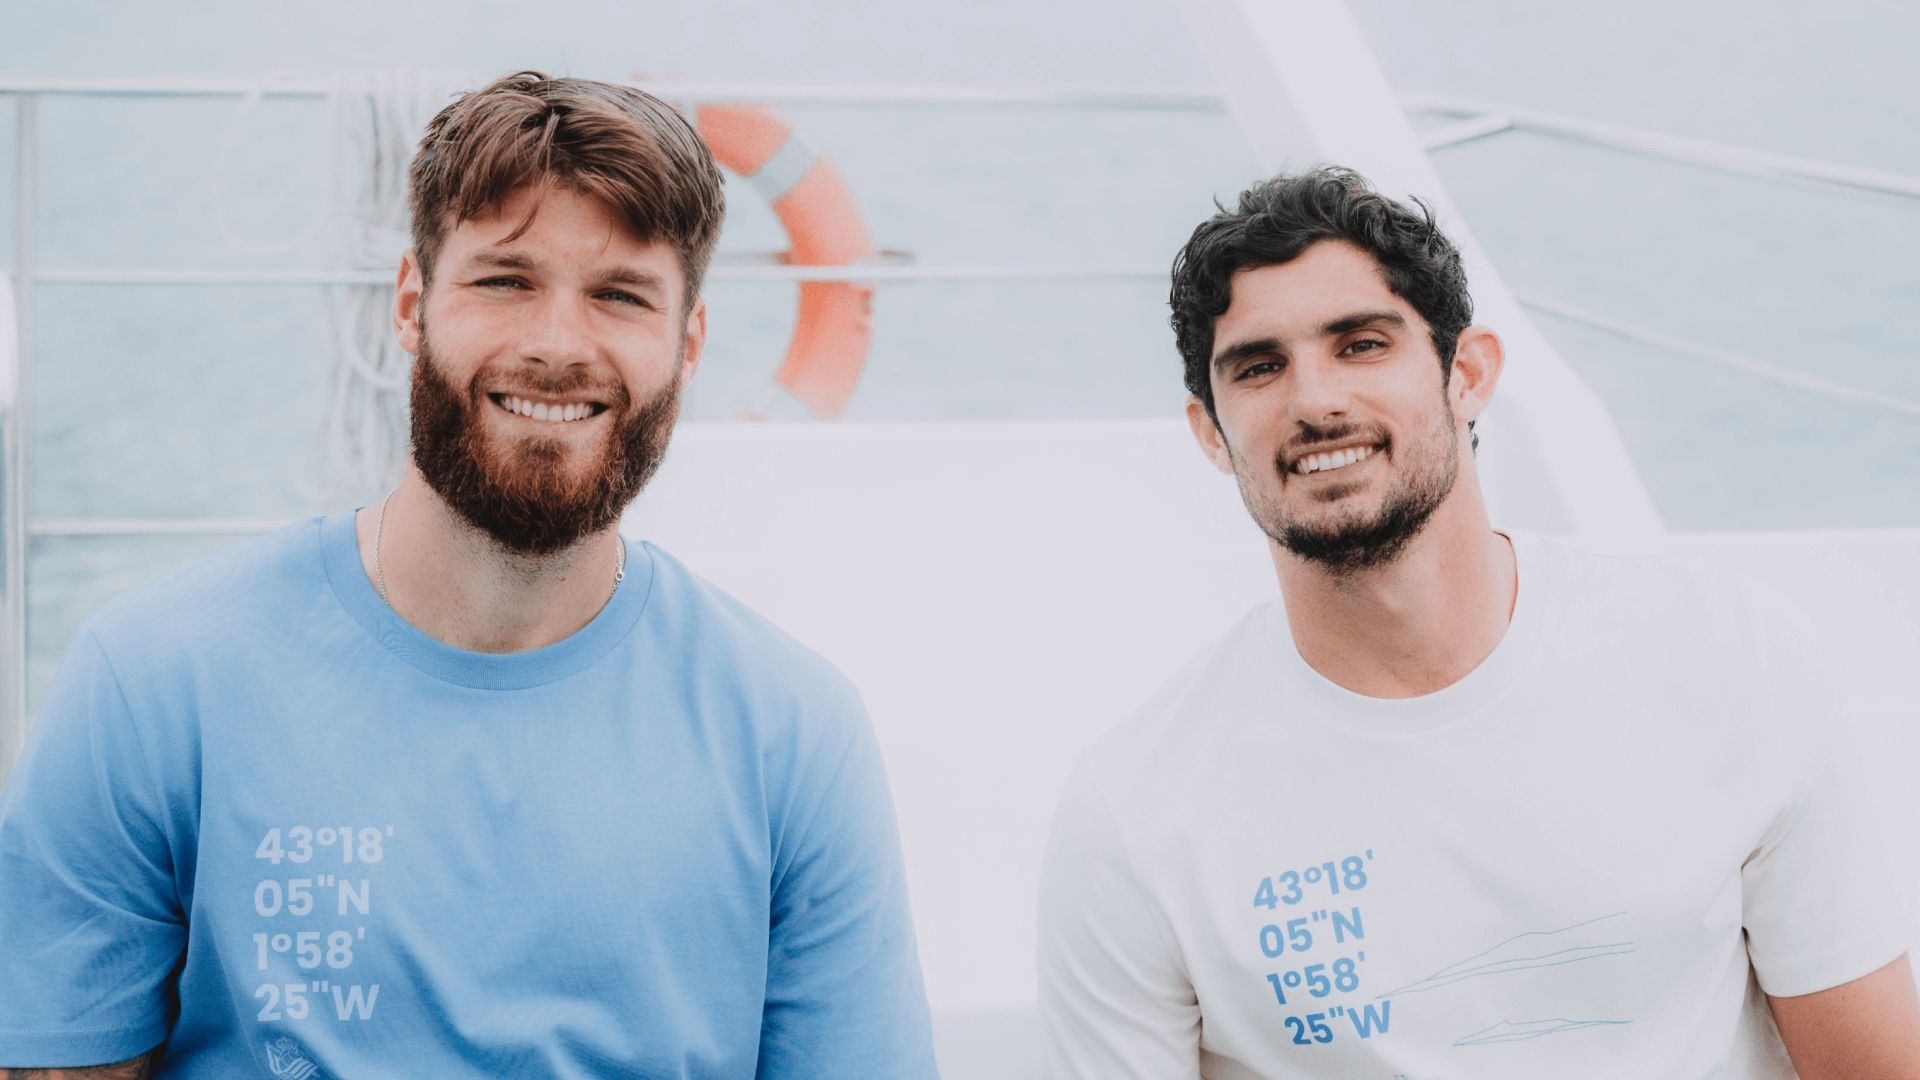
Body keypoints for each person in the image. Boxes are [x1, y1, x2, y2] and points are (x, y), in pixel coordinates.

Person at [0, 72, 936, 1078]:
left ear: (689, 343)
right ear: (412, 302)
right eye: (504, 280)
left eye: (620, 295)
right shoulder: (154, 682)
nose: (555, 346)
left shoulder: (790, 735)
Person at [1036, 166, 1920, 1078]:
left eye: (1361, 344)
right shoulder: (1137, 815)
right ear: (1211, 432)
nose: (1312, 401)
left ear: (1469, 372)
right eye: (1259, 368)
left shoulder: (1724, 663)